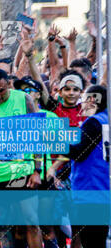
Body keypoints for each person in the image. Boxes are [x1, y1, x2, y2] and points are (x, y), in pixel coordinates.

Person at [0, 68, 43, 248]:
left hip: (22, 173)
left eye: (1, 90)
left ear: (8, 84)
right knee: (2, 227)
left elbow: (37, 136)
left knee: (31, 221)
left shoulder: (23, 99)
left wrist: (37, 170)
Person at [66, 85, 108, 247]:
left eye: (83, 99)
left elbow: (79, 153)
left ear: (92, 100)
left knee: (91, 241)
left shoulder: (93, 123)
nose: (80, 104)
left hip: (90, 190)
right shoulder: (106, 119)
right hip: (103, 188)